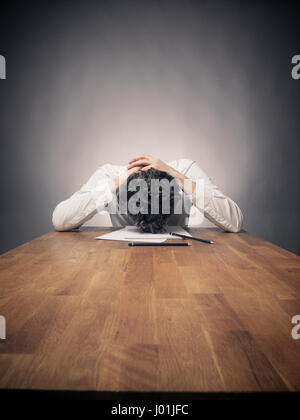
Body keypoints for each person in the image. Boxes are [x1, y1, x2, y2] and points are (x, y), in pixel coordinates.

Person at [52, 154, 243, 233]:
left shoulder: (185, 171)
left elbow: (234, 221)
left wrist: (178, 176)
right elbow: (60, 219)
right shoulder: (110, 177)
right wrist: (116, 182)